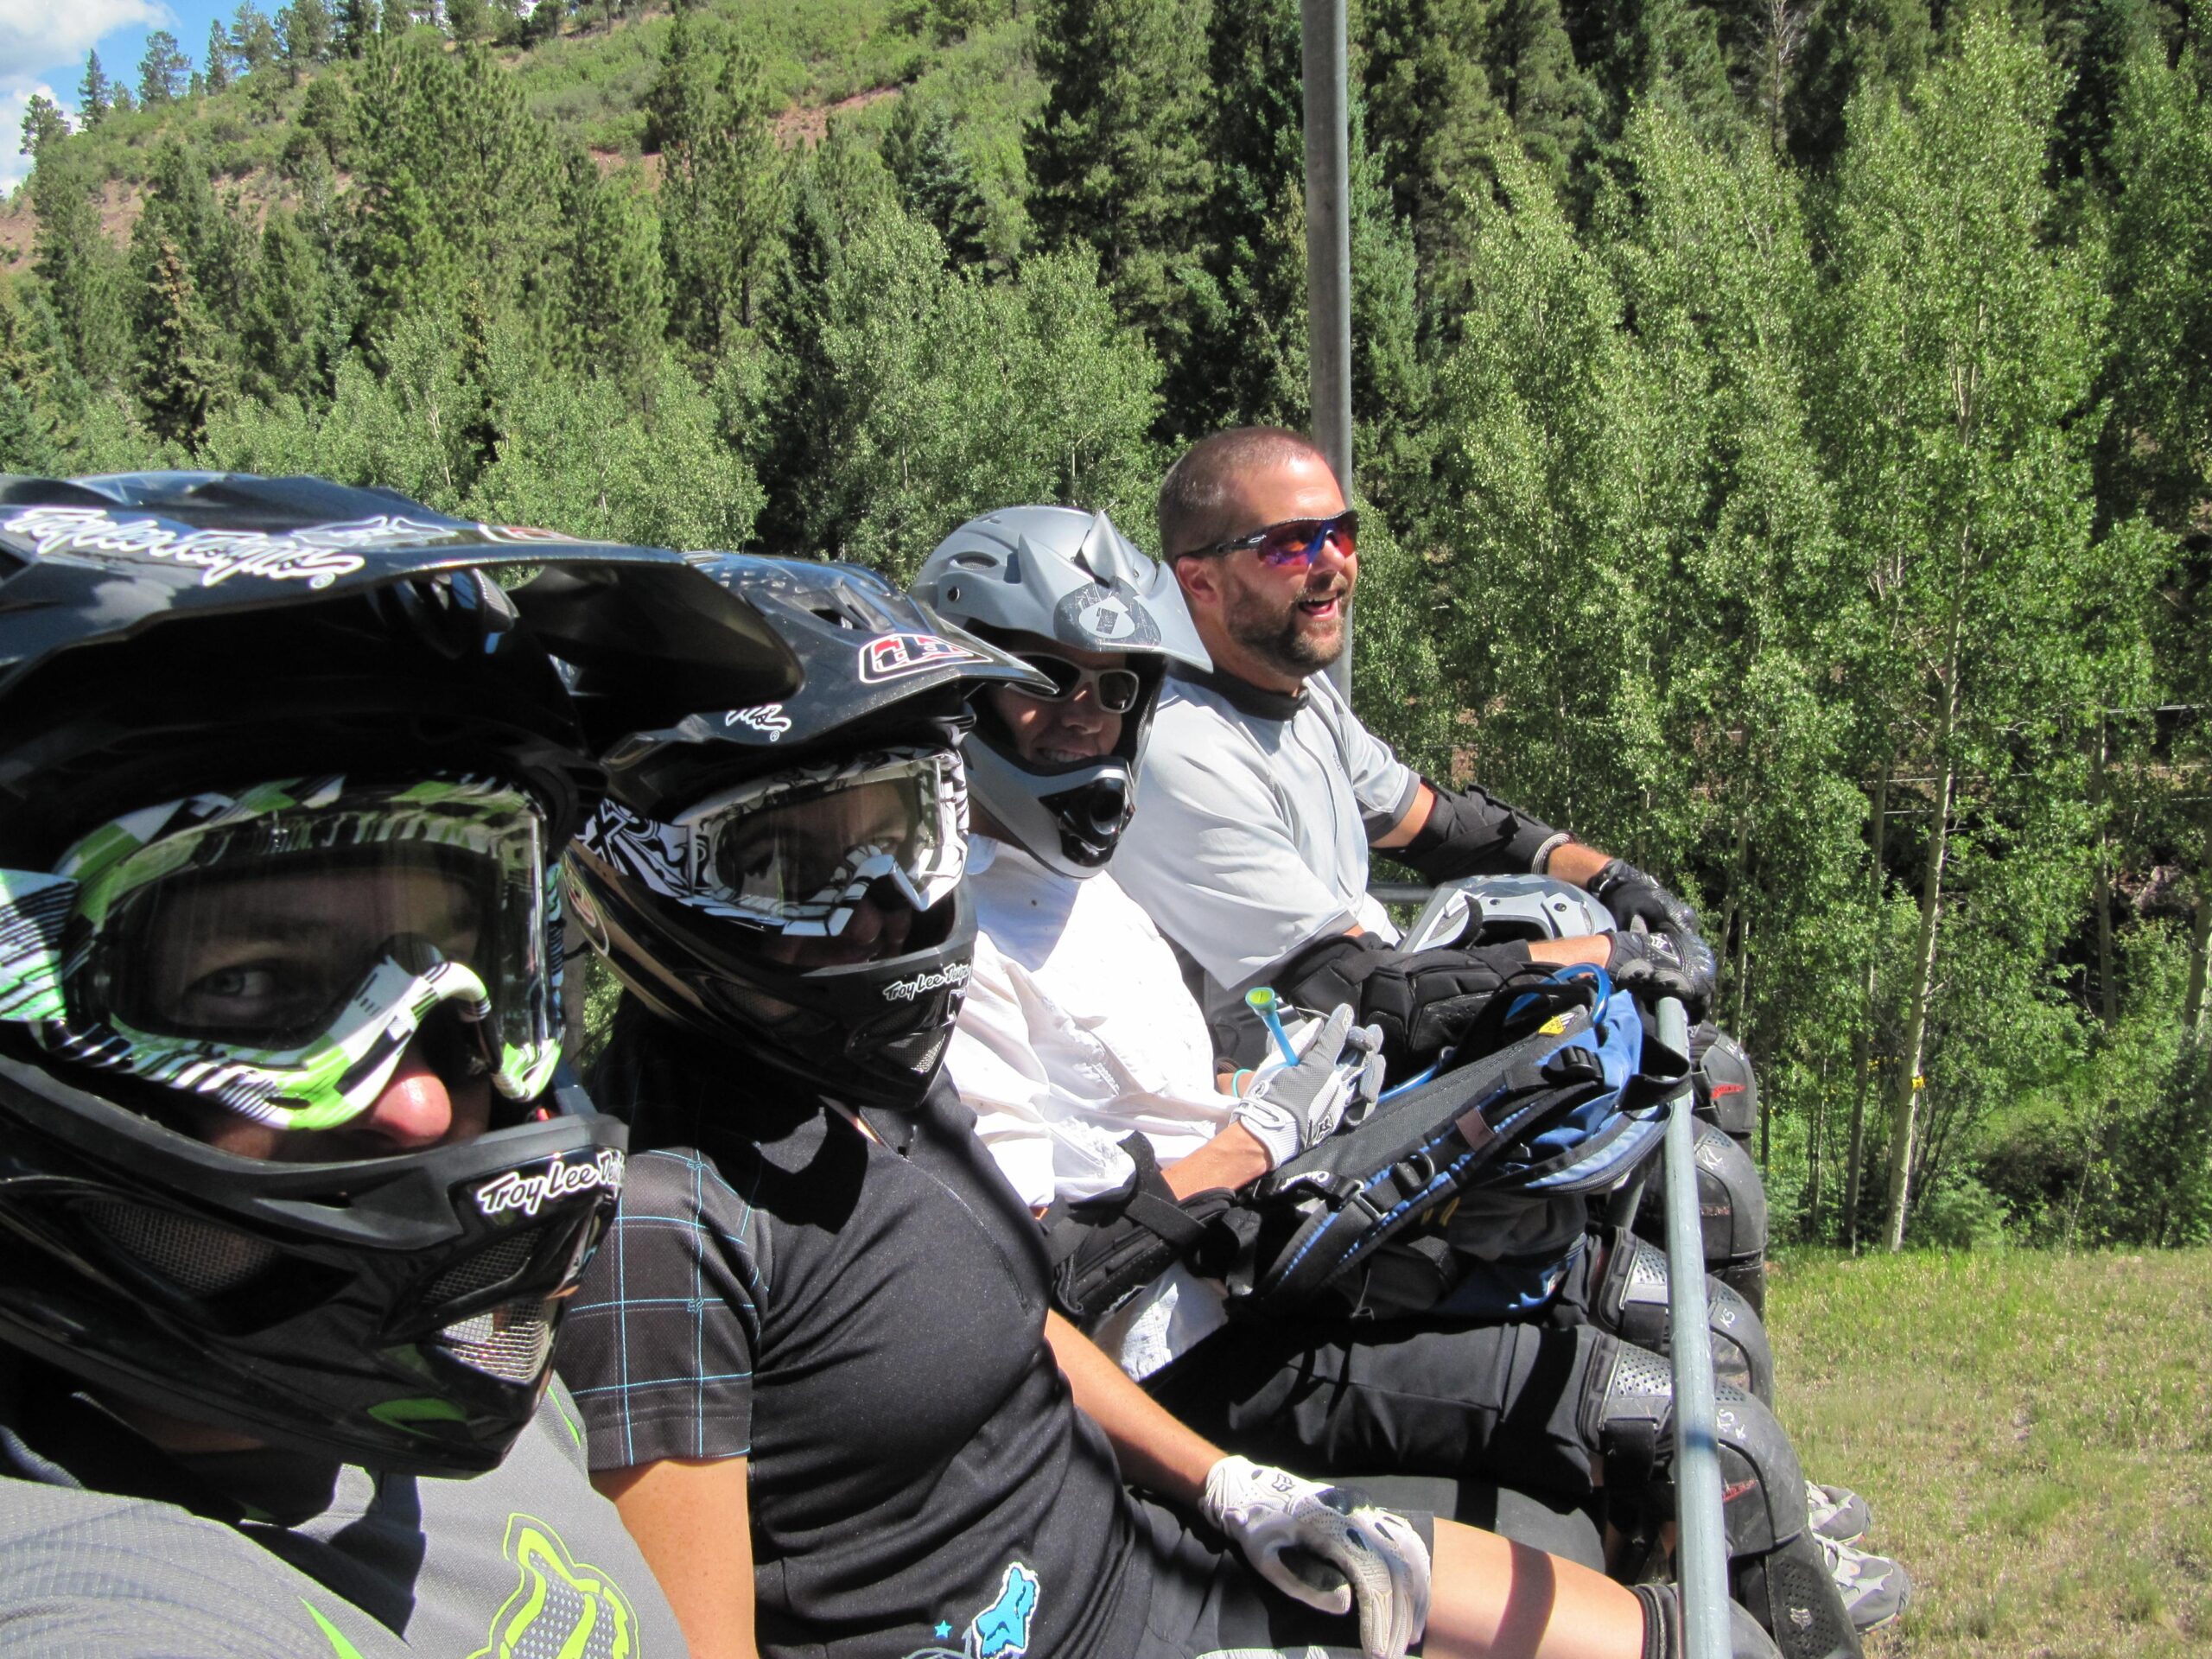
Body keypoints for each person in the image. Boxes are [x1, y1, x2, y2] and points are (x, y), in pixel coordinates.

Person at [554, 553, 1777, 1659]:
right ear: (651, 869)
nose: (883, 904)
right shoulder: (661, 1222)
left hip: (1162, 1554)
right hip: (1127, 1502)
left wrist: (1229, 1488)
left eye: (897, 834)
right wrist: (1251, 1148)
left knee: (1672, 1639)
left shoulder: (872, 1085)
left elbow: (1009, 1310)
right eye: (793, 865)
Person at [912, 507, 1897, 1652]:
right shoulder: (956, 946)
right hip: (1195, 1349)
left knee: (1691, 1323)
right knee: (1702, 1429)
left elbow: (1421, 835)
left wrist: (1295, 1099)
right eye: (1047, 685)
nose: (1086, 722)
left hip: (1286, 1252)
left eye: (1115, 688)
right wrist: (1261, 1143)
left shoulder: (1082, 876)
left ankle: (1710, 1565)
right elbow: (1033, 1283)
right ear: (958, 688)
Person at [0, 471, 784, 1655]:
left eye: (467, 963)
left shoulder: (465, 1387)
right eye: (251, 983)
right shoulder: (90, 1600)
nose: (424, 1098)